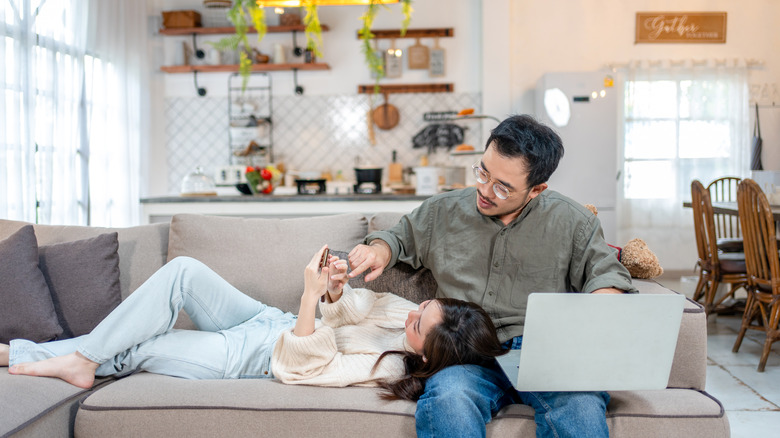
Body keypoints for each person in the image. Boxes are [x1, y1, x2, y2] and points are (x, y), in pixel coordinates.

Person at [348, 114, 638, 437]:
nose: (484, 190)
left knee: (581, 407)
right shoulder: (443, 211)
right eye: (483, 172)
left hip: (542, 354)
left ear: (536, 189)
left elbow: (608, 276)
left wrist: (599, 308)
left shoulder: (573, 222)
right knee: (449, 399)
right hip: (465, 356)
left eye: (502, 187)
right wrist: (378, 251)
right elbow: (398, 238)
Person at [1, 246, 505, 399]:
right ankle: (81, 360)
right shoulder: (408, 316)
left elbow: (301, 366)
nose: (410, 312)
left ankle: (37, 357)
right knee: (183, 271)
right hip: (265, 320)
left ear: (422, 355)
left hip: (254, 359)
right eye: (423, 306)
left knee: (139, 347)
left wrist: (310, 300)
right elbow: (354, 309)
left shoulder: (389, 369)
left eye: (417, 322)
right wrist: (332, 288)